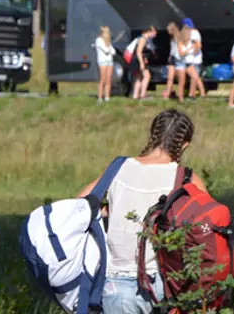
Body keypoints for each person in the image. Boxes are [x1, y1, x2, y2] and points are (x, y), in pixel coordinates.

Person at [77, 109, 207, 314]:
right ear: (184, 144)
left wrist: (111, 209)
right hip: (168, 285)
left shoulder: (119, 168)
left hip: (118, 282)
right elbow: (207, 226)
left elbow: (79, 205)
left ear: (153, 136)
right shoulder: (185, 178)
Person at [126, 26, 157, 101]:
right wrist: (141, 63)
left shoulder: (142, 38)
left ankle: (135, 96)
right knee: (147, 76)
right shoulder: (143, 39)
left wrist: (145, 59)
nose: (155, 33)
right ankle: (143, 95)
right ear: (149, 31)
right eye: (154, 31)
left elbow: (143, 52)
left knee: (138, 78)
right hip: (137, 60)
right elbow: (139, 51)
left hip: (137, 60)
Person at [182, 18, 206, 100]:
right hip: (193, 59)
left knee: (195, 77)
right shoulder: (191, 32)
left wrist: (193, 52)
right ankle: (200, 93)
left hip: (195, 59)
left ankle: (194, 94)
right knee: (196, 77)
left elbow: (198, 45)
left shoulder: (194, 33)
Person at [95, 26, 116, 103]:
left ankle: (107, 97)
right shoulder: (98, 40)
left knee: (109, 80)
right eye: (107, 32)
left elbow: (114, 52)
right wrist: (109, 46)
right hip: (102, 62)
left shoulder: (108, 41)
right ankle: (100, 98)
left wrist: (109, 45)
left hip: (110, 61)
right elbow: (106, 50)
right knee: (102, 80)